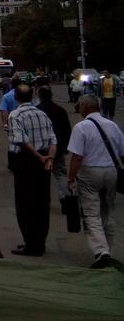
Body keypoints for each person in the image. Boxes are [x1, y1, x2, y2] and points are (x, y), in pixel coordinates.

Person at [67, 95, 124, 268]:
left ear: (85, 107)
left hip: (89, 172)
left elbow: (77, 156)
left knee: (91, 213)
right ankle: (109, 250)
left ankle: (101, 251)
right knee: (107, 211)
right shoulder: (113, 125)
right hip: (111, 172)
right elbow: (122, 154)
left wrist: (71, 178)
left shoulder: (81, 127)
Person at [7, 85, 57, 256]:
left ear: (16, 97)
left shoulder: (15, 114)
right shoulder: (41, 113)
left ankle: (31, 244)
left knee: (25, 203)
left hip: (26, 161)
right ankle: (39, 242)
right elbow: (52, 138)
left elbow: (22, 141)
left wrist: (39, 157)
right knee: (42, 202)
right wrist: (49, 157)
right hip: (43, 161)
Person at [35, 85, 72, 213]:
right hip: (58, 148)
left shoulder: (36, 111)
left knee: (42, 178)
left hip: (41, 150)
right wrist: (66, 146)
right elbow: (67, 130)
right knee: (61, 175)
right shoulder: (60, 110)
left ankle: (44, 202)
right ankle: (65, 199)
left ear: (39, 96)